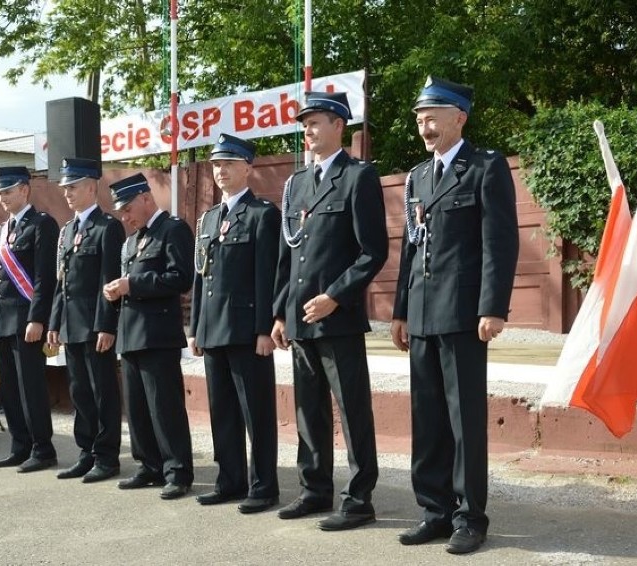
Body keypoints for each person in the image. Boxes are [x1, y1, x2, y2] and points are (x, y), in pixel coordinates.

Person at [391, 76, 519, 555]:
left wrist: (493, 307)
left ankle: (470, 517)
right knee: (427, 418)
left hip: (465, 314)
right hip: (422, 315)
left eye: (432, 115)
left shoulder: (485, 167)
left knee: (464, 419)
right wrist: (400, 311)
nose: (424, 125)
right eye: (420, 117)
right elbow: (409, 247)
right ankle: (435, 511)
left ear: (458, 117)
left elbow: (499, 243)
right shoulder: (418, 177)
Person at [271, 92, 389, 531]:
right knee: (308, 410)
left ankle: (359, 499)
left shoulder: (358, 177)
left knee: (352, 409)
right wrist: (281, 313)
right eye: (304, 124)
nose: (308, 130)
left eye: (316, 122)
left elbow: (372, 252)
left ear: (339, 125)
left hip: (337, 318)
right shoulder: (297, 184)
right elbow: (290, 254)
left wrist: (336, 296)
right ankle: (314, 489)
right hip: (301, 318)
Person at [188, 133, 281, 514]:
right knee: (222, 410)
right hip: (213, 329)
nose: (221, 171)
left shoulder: (263, 214)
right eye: (216, 164)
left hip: (246, 332)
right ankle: (230, 480)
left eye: (228, 163)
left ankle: (263, 487)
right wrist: (195, 327)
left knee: (256, 413)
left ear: (247, 167)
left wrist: (264, 328)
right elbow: (200, 277)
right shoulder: (208, 219)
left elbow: (267, 275)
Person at [103, 173, 195, 500]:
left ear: (145, 198)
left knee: (164, 407)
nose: (125, 217)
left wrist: (133, 285)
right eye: (121, 213)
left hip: (158, 335)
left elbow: (180, 278)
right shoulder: (131, 241)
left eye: (128, 209)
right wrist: (117, 291)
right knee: (138, 408)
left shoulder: (173, 230)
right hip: (131, 334)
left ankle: (177, 471)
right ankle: (148, 465)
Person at [47, 158, 124, 483]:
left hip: (95, 328)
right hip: (71, 325)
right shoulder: (67, 231)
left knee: (102, 392)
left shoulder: (108, 227)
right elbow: (61, 282)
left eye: (73, 187)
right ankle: (86, 452)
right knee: (79, 392)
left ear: (92, 187)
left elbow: (109, 281)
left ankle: (106, 457)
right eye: (65, 188)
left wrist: (106, 325)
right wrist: (54, 322)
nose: (67, 193)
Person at [0, 166, 60, 473]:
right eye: (0, 192)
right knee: (10, 390)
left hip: (27, 319)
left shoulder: (42, 224)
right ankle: (20, 445)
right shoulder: (1, 231)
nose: (2, 197)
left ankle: (43, 449)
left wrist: (38, 319)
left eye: (8, 191)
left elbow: (45, 278)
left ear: (24, 190)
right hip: (3, 320)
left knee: (30, 387)